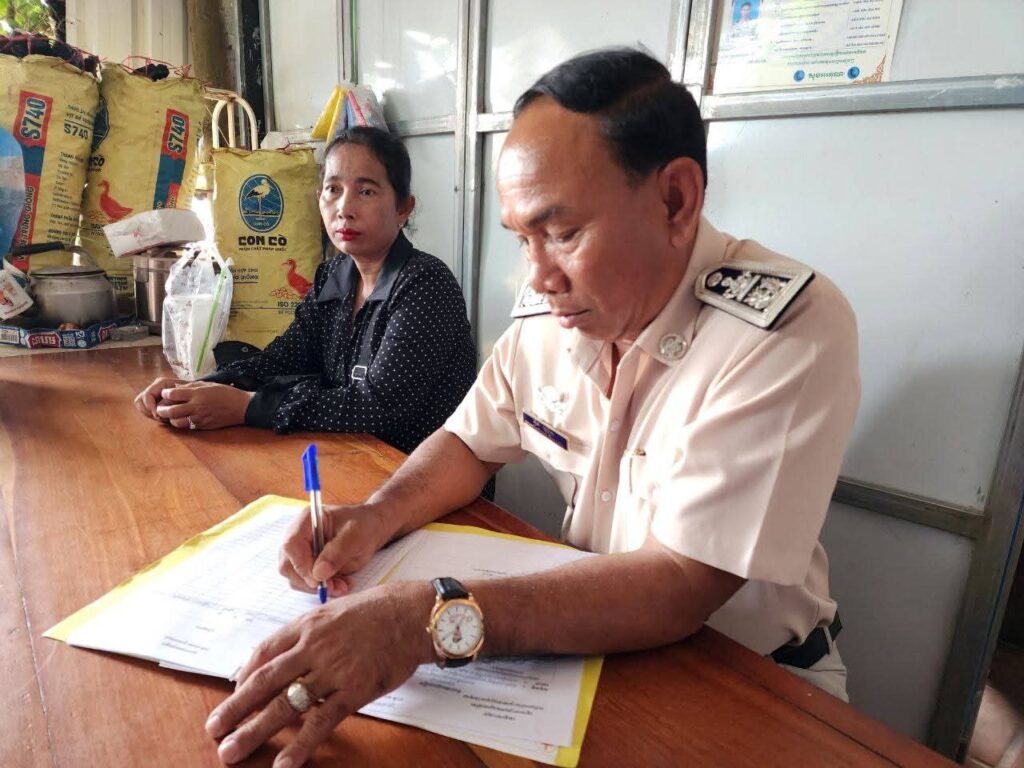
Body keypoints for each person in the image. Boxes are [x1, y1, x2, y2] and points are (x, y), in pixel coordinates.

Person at [203, 48, 860, 767]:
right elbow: (469, 442)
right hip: (591, 655)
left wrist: (419, 620)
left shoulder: (782, 329)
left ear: (675, 201)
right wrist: (375, 516)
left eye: (563, 233)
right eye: (523, 238)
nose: (539, 275)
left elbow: (680, 583)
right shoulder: (558, 311)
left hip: (746, 682)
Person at [134, 126, 477, 456]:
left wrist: (248, 406)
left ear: (403, 207)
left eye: (366, 191)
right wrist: (201, 387)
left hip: (421, 475)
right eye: (333, 190)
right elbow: (282, 359)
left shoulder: (425, 285)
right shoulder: (333, 276)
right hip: (350, 457)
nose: (344, 209)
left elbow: (377, 407)